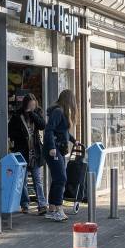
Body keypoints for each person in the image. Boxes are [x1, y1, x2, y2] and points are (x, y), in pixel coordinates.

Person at [8, 91, 47, 215]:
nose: (32, 107)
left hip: (35, 152)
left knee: (37, 180)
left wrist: (33, 114)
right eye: (30, 105)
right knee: (22, 180)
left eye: (33, 105)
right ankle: (25, 204)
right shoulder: (17, 115)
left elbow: (42, 125)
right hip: (22, 152)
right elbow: (10, 131)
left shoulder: (37, 113)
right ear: (25, 104)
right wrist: (21, 137)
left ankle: (42, 204)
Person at [43, 89, 78, 221]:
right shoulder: (58, 112)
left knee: (58, 178)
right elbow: (49, 130)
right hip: (53, 149)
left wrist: (74, 141)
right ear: (69, 100)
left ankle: (52, 209)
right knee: (61, 178)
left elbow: (63, 132)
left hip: (58, 149)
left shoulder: (62, 112)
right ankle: (58, 209)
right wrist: (52, 147)